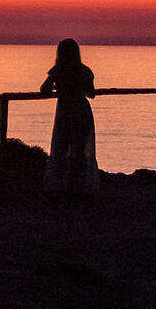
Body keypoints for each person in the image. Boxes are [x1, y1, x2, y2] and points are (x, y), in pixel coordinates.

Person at [41, 38, 98, 196]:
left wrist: (59, 87)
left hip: (65, 112)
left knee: (61, 150)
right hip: (82, 111)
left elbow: (44, 89)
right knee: (79, 151)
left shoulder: (58, 70)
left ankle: (61, 186)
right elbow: (91, 93)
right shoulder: (85, 71)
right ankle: (78, 186)